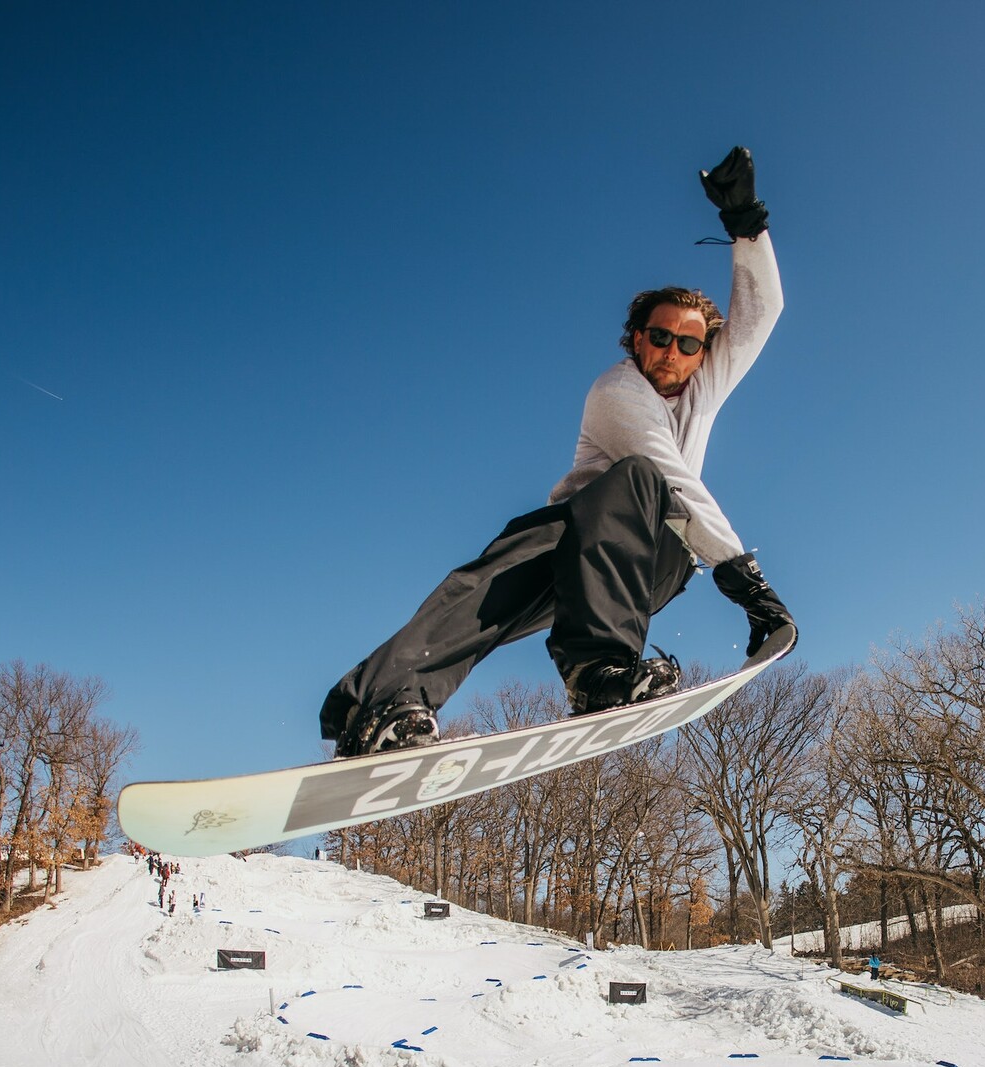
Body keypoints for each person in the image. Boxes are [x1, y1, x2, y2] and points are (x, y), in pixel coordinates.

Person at [320, 146, 795, 758]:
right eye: (658, 338)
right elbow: (668, 473)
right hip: (578, 540)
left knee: (641, 483)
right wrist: (746, 581)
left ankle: (601, 672)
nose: (671, 353)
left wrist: (747, 224)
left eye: (687, 343)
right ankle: (386, 705)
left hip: (653, 561)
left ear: (705, 353)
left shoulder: (706, 383)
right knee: (485, 584)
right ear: (635, 340)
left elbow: (762, 313)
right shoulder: (618, 389)